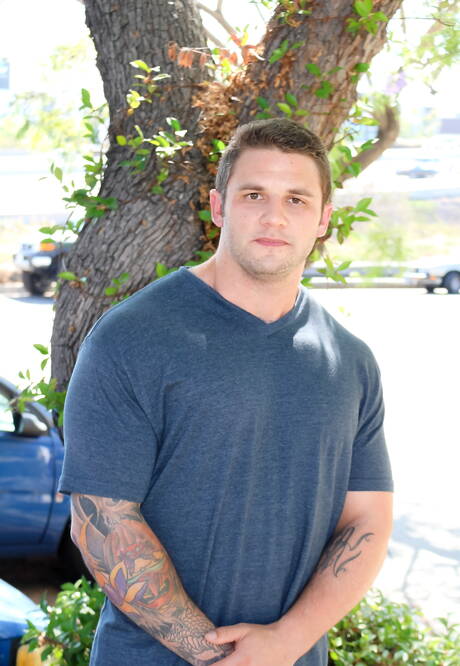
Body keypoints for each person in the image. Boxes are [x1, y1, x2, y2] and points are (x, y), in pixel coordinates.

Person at [59, 117, 393, 666]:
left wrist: (285, 642)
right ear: (218, 207)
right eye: (254, 194)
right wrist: (219, 657)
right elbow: (102, 521)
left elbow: (367, 523)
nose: (274, 216)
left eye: (296, 200)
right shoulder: (133, 338)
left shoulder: (350, 361)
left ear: (323, 220)